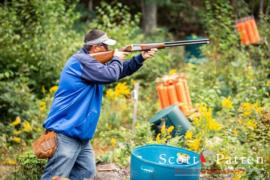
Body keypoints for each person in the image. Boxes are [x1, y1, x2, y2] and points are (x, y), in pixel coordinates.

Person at [41, 29, 157, 180]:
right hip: (66, 133)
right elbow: (110, 74)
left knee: (85, 174)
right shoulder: (81, 61)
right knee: (55, 177)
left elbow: (118, 71)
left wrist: (140, 58)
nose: (109, 50)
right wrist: (116, 58)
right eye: (106, 46)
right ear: (96, 48)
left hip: (81, 136)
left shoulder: (91, 64)